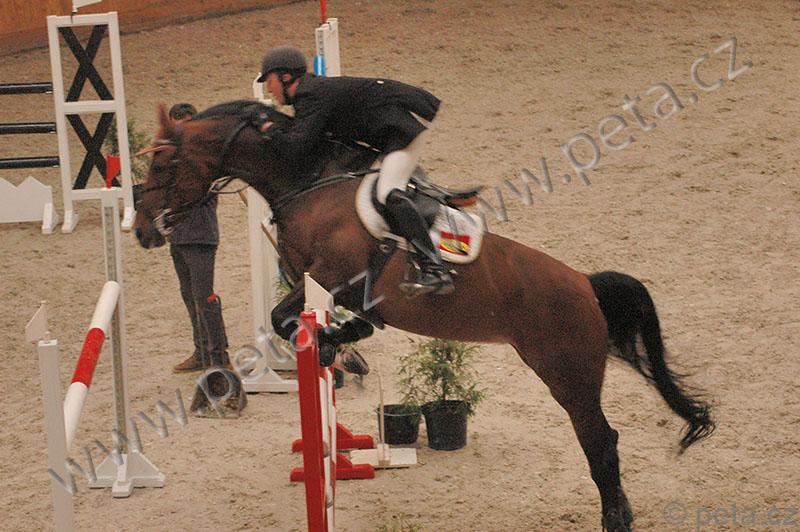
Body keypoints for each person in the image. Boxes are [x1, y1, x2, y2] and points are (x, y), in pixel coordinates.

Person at [256, 45, 454, 297]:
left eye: (270, 81)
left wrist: (269, 129)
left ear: (285, 77)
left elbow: (297, 145)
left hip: (404, 125)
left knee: (388, 194)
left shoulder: (311, 95)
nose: (269, 89)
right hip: (389, 129)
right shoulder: (310, 95)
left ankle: (435, 269)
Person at [167, 103, 230, 373]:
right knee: (189, 295)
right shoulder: (171, 156)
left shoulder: (206, 156)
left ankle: (219, 355)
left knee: (204, 296)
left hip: (201, 234)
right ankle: (202, 351)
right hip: (178, 235)